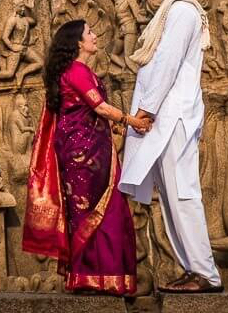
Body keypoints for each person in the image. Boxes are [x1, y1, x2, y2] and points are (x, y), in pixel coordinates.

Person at [119, 0, 223, 293]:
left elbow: (167, 63)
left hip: (172, 115)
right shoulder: (170, 12)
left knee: (183, 194)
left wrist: (146, 110)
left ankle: (205, 274)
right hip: (167, 115)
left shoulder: (181, 12)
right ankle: (194, 269)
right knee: (171, 195)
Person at [22, 19, 140, 297]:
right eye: (90, 33)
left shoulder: (79, 71)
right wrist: (132, 120)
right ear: (77, 43)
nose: (95, 36)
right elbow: (99, 108)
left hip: (91, 151)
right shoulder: (77, 71)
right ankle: (91, 277)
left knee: (98, 211)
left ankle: (94, 278)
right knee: (97, 212)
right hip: (83, 156)